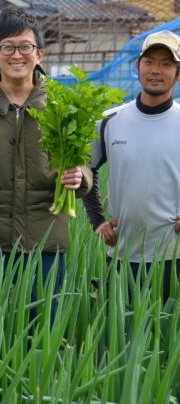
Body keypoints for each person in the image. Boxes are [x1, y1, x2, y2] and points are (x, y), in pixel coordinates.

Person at [0, 7, 92, 306]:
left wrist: (82, 176)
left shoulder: (61, 104)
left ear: (39, 54)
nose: (16, 55)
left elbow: (83, 162)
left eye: (25, 47)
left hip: (46, 240)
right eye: (8, 47)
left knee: (44, 335)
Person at [83, 29, 180, 302]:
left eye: (166, 63)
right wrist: (97, 220)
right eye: (149, 62)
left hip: (175, 254)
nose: (155, 70)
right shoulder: (109, 120)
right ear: (137, 66)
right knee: (122, 335)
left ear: (178, 73)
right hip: (123, 252)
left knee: (169, 337)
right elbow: (85, 168)